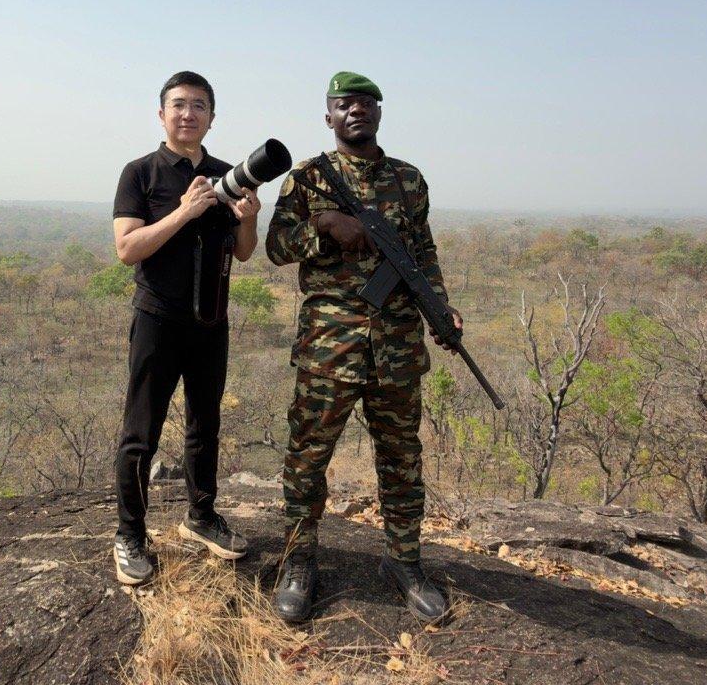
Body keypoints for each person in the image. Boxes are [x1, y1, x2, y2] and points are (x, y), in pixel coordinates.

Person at [264, 71, 460, 623]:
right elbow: (277, 247)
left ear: (379, 112)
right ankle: (299, 560)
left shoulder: (408, 180)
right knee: (308, 458)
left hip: (397, 345)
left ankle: (404, 560)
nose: (357, 110)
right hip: (329, 347)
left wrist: (441, 307)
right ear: (328, 115)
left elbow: (422, 254)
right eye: (345, 104)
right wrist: (325, 224)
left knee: (401, 460)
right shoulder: (308, 178)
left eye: (367, 103)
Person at [110, 71, 261, 585]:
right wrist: (183, 212)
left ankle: (202, 517)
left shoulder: (228, 175)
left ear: (212, 118)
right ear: (161, 114)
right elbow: (127, 248)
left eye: (199, 105)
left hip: (210, 321)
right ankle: (130, 534)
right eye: (178, 104)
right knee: (141, 433)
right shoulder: (140, 174)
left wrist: (248, 217)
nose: (188, 113)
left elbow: (244, 252)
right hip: (157, 320)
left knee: (205, 425)